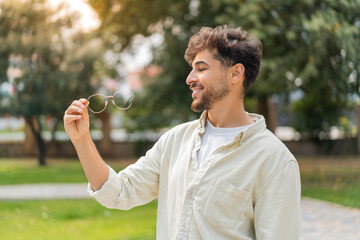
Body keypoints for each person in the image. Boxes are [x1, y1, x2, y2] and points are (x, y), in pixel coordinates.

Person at [64, 25, 301, 240]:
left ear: (236, 73)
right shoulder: (175, 140)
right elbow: (119, 192)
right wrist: (81, 139)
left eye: (201, 68)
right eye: (191, 69)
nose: (190, 79)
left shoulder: (274, 160)